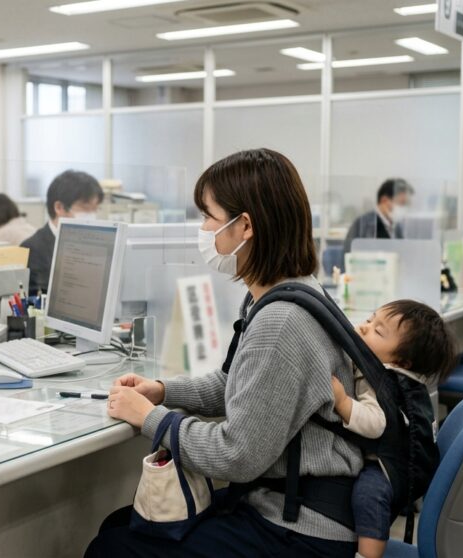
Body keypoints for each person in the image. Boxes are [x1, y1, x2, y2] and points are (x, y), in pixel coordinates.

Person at [88, 149, 362, 557]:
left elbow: (236, 455)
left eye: (208, 218)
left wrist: (151, 419)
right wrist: (163, 391)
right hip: (283, 504)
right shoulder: (283, 292)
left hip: (301, 529)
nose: (202, 230)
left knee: (114, 546)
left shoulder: (280, 321)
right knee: (119, 525)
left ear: (245, 226)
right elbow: (236, 384)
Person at [331, 300, 455, 558]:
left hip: (394, 467)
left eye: (377, 331)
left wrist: (343, 403)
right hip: (400, 455)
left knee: (369, 494)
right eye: (369, 319)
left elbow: (377, 424)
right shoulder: (383, 366)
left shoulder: (385, 382)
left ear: (402, 362)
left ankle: (368, 554)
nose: (365, 328)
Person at [20, 170, 104, 294]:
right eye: (85, 208)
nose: (91, 215)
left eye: (95, 209)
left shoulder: (93, 245)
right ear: (59, 207)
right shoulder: (31, 249)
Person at [343, 178, 413, 253]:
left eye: (406, 205)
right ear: (384, 200)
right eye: (402, 203)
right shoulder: (364, 225)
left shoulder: (396, 227)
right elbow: (350, 256)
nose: (404, 209)